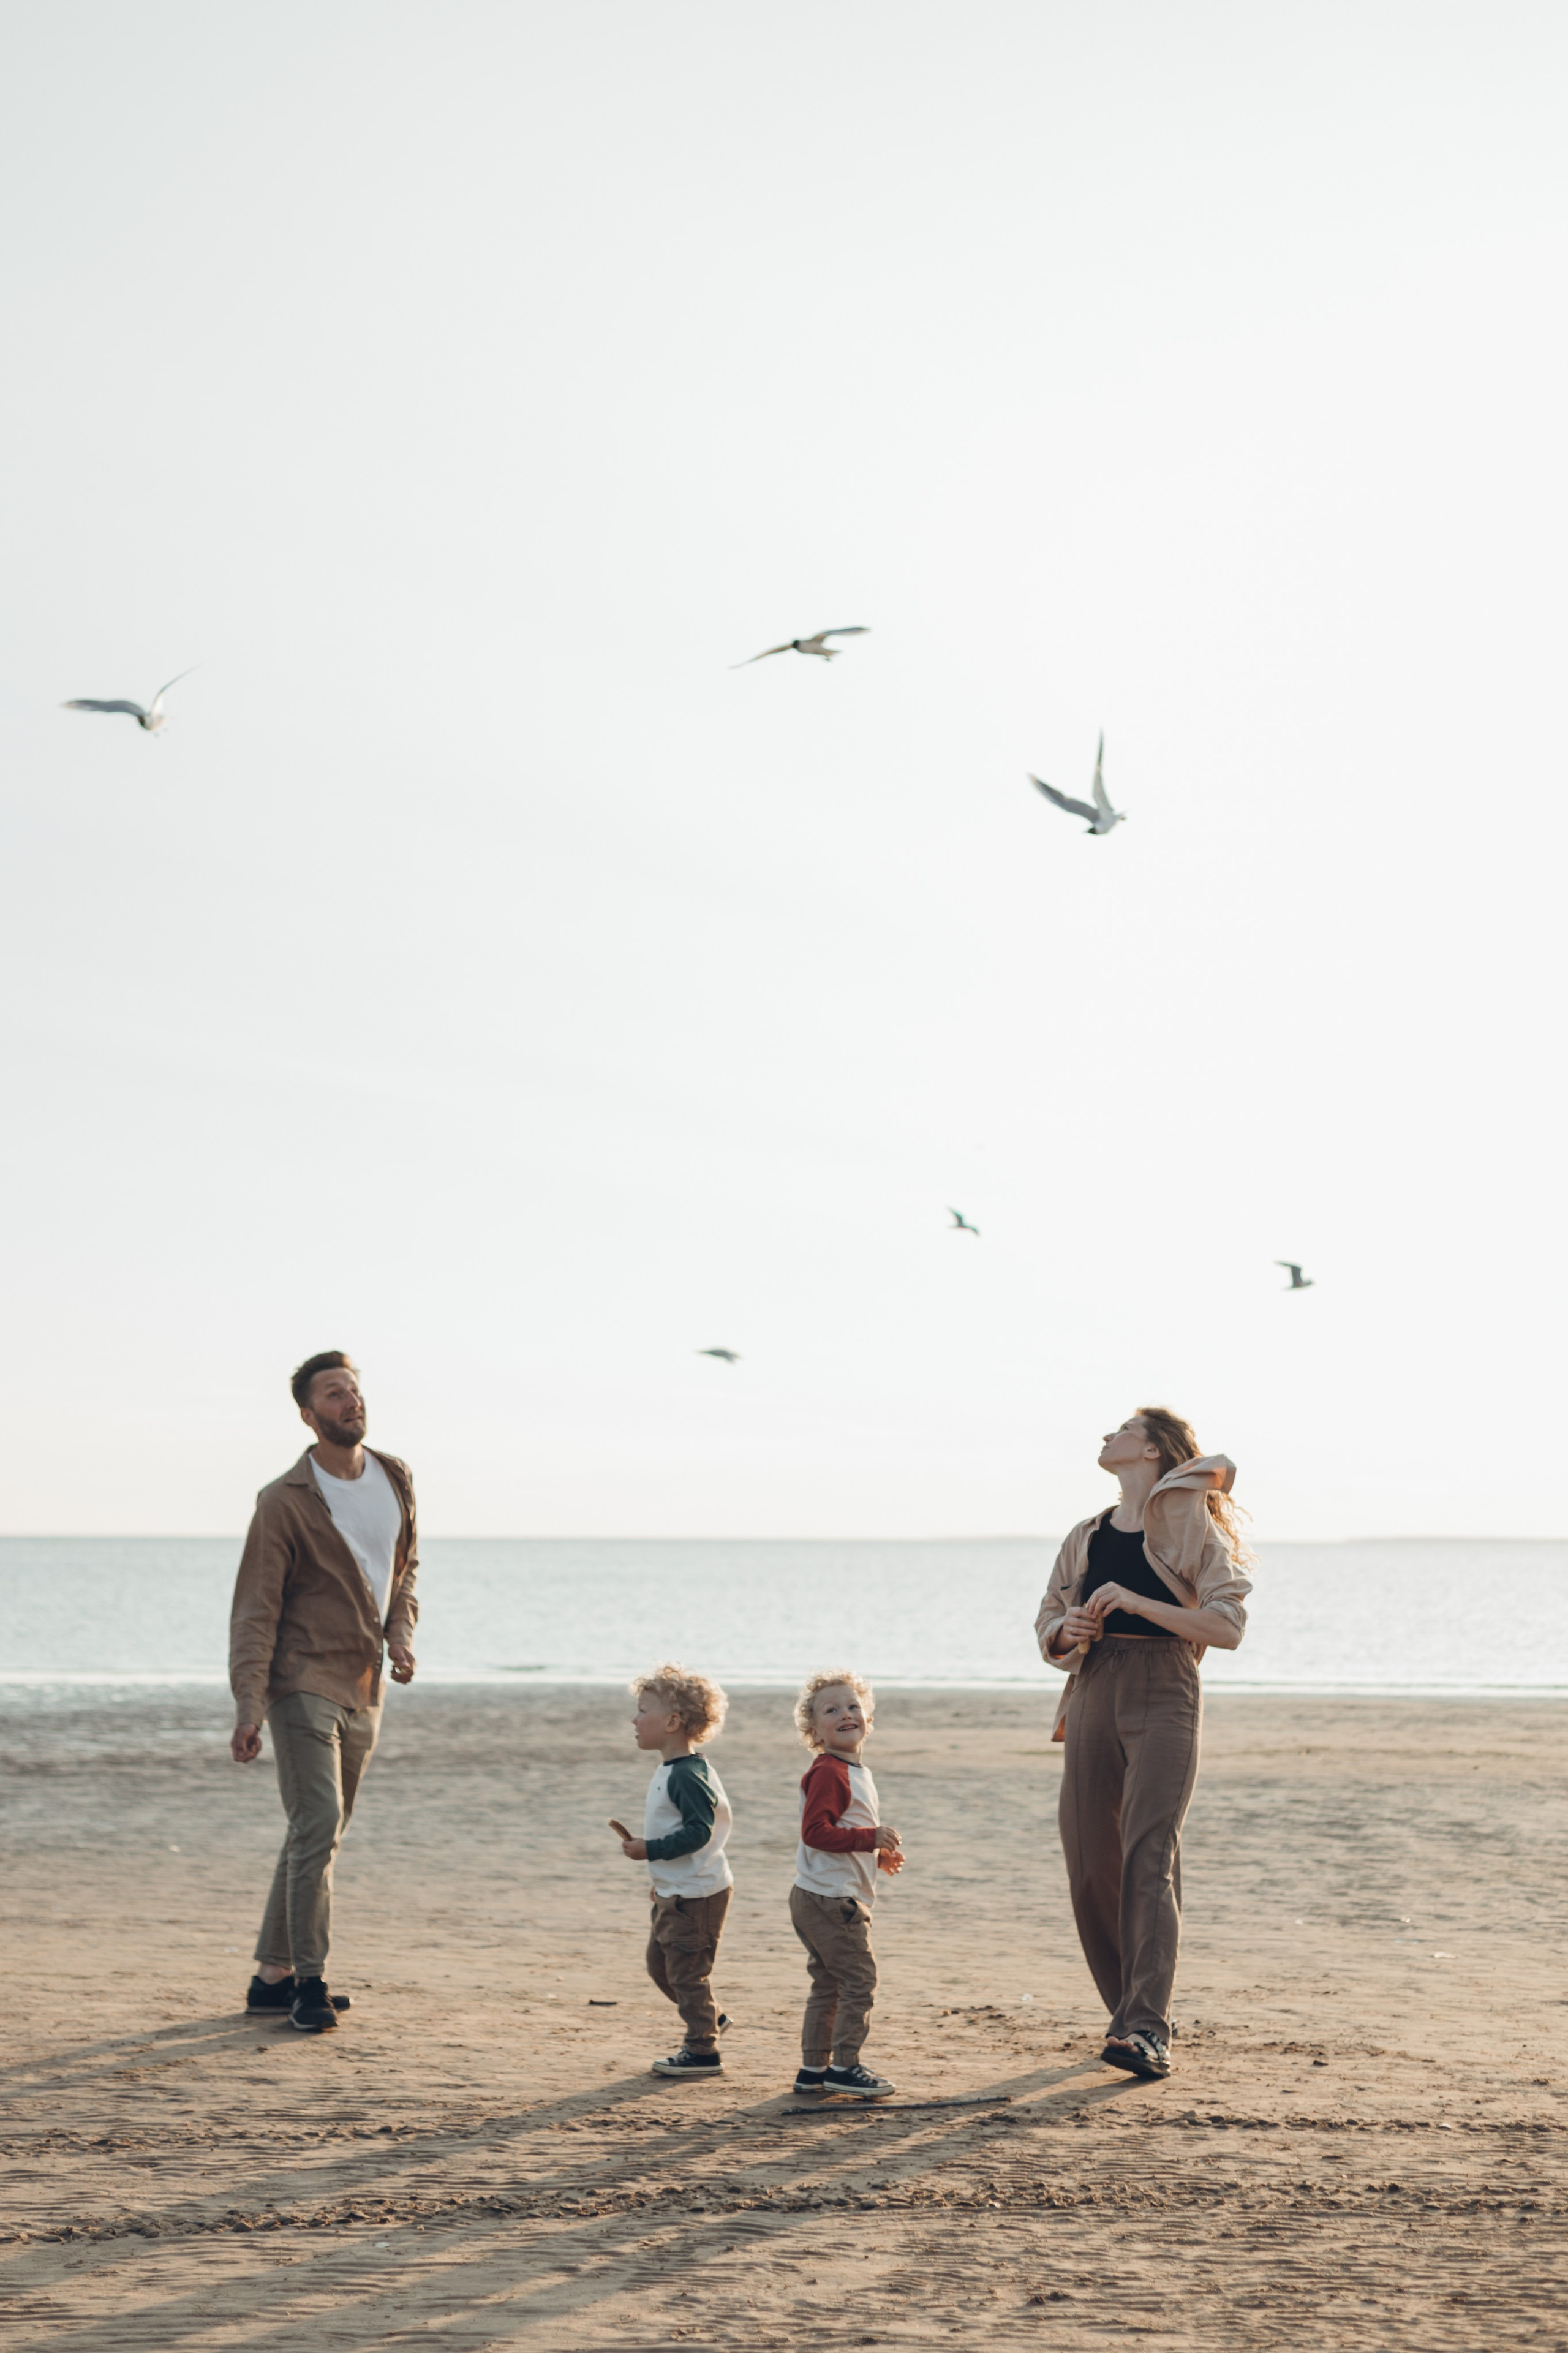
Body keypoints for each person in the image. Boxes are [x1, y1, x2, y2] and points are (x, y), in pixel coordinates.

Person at [1035, 1407, 1251, 2081]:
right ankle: (1126, 2014)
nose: (1109, 1436)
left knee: (1148, 1856)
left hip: (1166, 1687)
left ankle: (1146, 2027)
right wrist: (1068, 1630)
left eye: (1125, 1428)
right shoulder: (1087, 1533)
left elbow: (1227, 1626)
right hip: (1093, 1688)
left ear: (1155, 1451)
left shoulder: (1194, 1528)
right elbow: (1047, 1624)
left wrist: (1135, 1601)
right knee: (1089, 1862)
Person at [228, 1351, 419, 2033]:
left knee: (320, 1828)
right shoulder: (284, 1500)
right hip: (300, 1678)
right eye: (334, 1394)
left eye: (353, 1390)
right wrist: (250, 1702)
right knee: (317, 1824)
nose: (350, 1400)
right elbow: (256, 1606)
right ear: (310, 1415)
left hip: (365, 1682)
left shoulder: (395, 1476)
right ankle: (309, 1981)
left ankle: (270, 1978)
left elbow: (403, 1569)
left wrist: (400, 1633)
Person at [789, 1671, 903, 2101]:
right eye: (832, 1710)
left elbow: (844, 1829)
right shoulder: (830, 1771)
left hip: (820, 1894)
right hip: (831, 1899)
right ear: (814, 1732)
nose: (846, 1714)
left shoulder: (854, 1771)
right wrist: (869, 1837)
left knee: (828, 1983)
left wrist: (876, 1853)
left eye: (854, 1706)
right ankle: (845, 2066)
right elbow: (815, 1833)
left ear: (868, 1720)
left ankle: (814, 2069)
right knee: (859, 1981)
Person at [617, 1664, 734, 2077]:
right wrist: (662, 1879)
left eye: (643, 1710)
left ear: (672, 1722)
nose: (634, 1719)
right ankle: (709, 2017)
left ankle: (703, 2050)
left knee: (687, 1972)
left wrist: (650, 1850)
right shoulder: (672, 1768)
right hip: (677, 1888)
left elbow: (699, 1832)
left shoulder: (687, 1774)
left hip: (696, 1893)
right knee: (661, 1965)